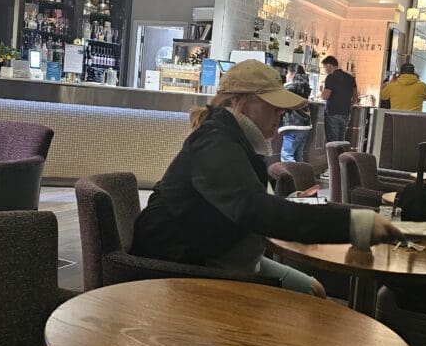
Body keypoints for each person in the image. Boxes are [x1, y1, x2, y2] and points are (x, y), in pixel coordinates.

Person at [132, 60, 402, 298]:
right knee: (309, 306)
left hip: (219, 255)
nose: (280, 113)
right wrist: (353, 224)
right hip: (178, 269)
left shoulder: (236, 141)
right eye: (272, 105)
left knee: (312, 290)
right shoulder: (215, 142)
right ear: (239, 102)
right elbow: (256, 210)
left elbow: (251, 208)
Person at [278, 64, 312, 162]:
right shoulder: (304, 87)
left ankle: (292, 177)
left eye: (287, 72)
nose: (286, 75)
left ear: (292, 74)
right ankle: (302, 177)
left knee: (286, 156)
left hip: (293, 126)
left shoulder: (288, 88)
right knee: (298, 156)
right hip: (305, 125)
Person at [320, 56, 356, 145]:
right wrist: (347, 106)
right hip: (345, 114)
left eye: (324, 67)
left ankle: (333, 159)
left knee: (333, 143)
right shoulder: (350, 78)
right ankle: (340, 158)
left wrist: (321, 92)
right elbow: (355, 98)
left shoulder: (330, 77)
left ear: (329, 66)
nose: (325, 70)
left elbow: (325, 96)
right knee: (341, 142)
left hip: (333, 113)